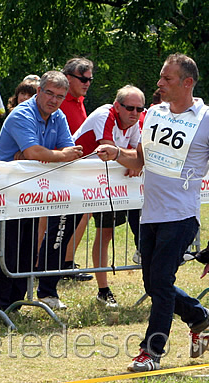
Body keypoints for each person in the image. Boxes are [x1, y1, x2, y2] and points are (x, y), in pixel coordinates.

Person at [95, 54, 209, 372]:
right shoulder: (153, 113)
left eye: (166, 79)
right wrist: (117, 153)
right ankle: (201, 317)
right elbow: (139, 161)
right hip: (150, 216)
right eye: (160, 77)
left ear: (187, 83)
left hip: (181, 217)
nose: (159, 83)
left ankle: (151, 352)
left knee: (160, 281)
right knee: (154, 284)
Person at [0, 71, 83, 311]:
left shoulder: (58, 116)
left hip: (33, 195)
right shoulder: (22, 113)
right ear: (39, 91)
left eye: (60, 96)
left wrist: (46, 154)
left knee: (28, 249)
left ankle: (17, 304)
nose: (54, 100)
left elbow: (69, 150)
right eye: (50, 93)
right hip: (7, 193)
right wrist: (52, 155)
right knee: (7, 250)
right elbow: (37, 152)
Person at [72, 85, 145, 308]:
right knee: (61, 233)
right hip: (75, 181)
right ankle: (46, 287)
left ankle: (103, 290)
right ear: (117, 106)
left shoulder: (134, 123)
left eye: (139, 109)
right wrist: (129, 159)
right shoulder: (105, 115)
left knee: (105, 234)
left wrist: (130, 159)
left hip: (105, 184)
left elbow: (140, 156)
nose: (134, 113)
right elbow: (108, 151)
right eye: (129, 107)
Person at [57, 57, 95, 282]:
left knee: (82, 214)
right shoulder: (59, 100)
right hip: (60, 168)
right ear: (68, 78)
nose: (87, 83)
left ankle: (67, 262)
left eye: (90, 79)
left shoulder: (79, 100)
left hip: (79, 168)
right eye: (83, 78)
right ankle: (50, 264)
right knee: (58, 219)